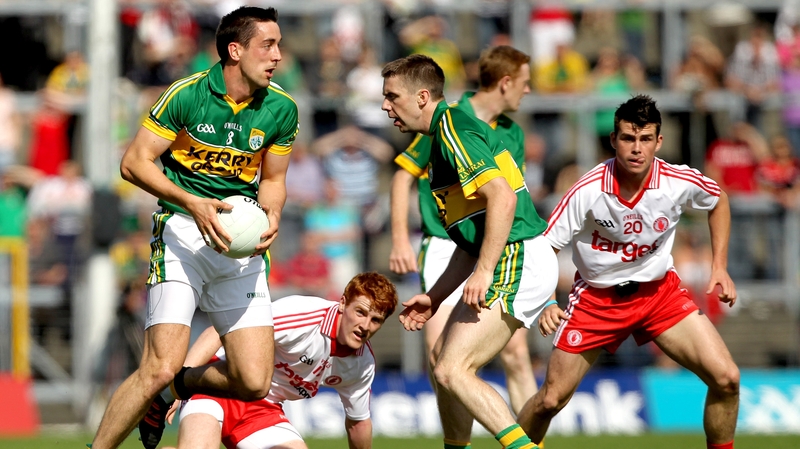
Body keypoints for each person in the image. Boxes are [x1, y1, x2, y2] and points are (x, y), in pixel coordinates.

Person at [91, 7, 299, 449]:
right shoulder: (186, 95)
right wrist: (191, 202)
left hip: (240, 249)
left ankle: (169, 393)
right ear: (235, 50)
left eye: (279, 44)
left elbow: (275, 181)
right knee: (159, 364)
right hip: (182, 235)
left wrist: (273, 215)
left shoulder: (282, 107)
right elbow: (133, 163)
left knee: (254, 381)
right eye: (268, 44)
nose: (278, 55)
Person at [518, 95, 740, 449]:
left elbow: (719, 201)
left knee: (727, 379)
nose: (637, 149)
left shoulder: (675, 181)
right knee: (549, 400)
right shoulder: (588, 189)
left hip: (659, 295)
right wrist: (545, 300)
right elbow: (545, 246)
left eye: (645, 139)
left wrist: (719, 266)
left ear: (659, 141)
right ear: (613, 140)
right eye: (628, 138)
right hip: (596, 301)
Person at [383, 54, 558, 449]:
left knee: (452, 369)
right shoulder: (444, 134)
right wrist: (434, 297)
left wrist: (485, 270)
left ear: (422, 97)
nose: (384, 105)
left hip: (517, 257)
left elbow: (503, 199)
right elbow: (471, 238)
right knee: (443, 360)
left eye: (392, 96)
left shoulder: (453, 131)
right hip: (511, 255)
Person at [161, 272, 397, 449]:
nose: (365, 326)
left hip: (264, 410)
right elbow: (218, 332)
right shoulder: (302, 316)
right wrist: (181, 382)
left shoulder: (362, 364)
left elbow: (358, 423)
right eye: (360, 312)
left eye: (376, 320)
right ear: (343, 304)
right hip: (218, 386)